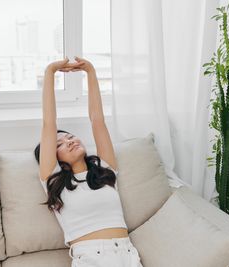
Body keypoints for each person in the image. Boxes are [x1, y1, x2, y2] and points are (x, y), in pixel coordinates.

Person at [34, 56, 143, 267]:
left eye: (70, 136)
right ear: (55, 158)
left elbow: (97, 120)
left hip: (128, 255)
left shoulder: (106, 170)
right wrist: (50, 72)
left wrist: (91, 72)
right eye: (60, 144)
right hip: (92, 259)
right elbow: (49, 124)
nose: (69, 141)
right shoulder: (53, 181)